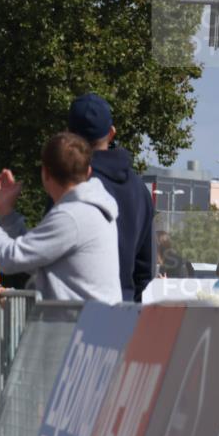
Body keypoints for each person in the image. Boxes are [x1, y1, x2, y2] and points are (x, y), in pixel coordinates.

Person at [0, 132, 122, 304]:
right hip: (92, 324)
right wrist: (7, 214)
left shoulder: (71, 217)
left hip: (77, 326)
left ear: (45, 173)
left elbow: (9, 259)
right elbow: (31, 258)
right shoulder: (92, 208)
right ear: (89, 171)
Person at [67, 92, 155, 301]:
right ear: (111, 133)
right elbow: (145, 268)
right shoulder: (139, 189)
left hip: (75, 311)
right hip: (123, 312)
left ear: (68, 136)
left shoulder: (70, 183)